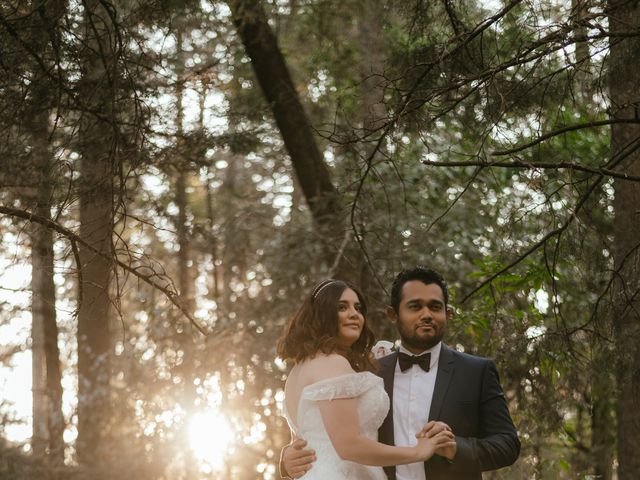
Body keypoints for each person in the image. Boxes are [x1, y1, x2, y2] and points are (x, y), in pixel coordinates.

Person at [281, 267, 520, 480]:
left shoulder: (476, 371)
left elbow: (508, 445)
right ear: (393, 314)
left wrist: (455, 447)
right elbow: (330, 435)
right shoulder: (369, 372)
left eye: (435, 306)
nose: (426, 314)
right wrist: (287, 461)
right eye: (415, 306)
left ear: (447, 313)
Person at [277, 278, 456, 480]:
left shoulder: (298, 370)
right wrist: (418, 452)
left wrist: (287, 458)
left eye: (358, 308)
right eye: (342, 307)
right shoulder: (332, 363)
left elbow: (301, 443)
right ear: (322, 314)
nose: (354, 314)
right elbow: (349, 445)